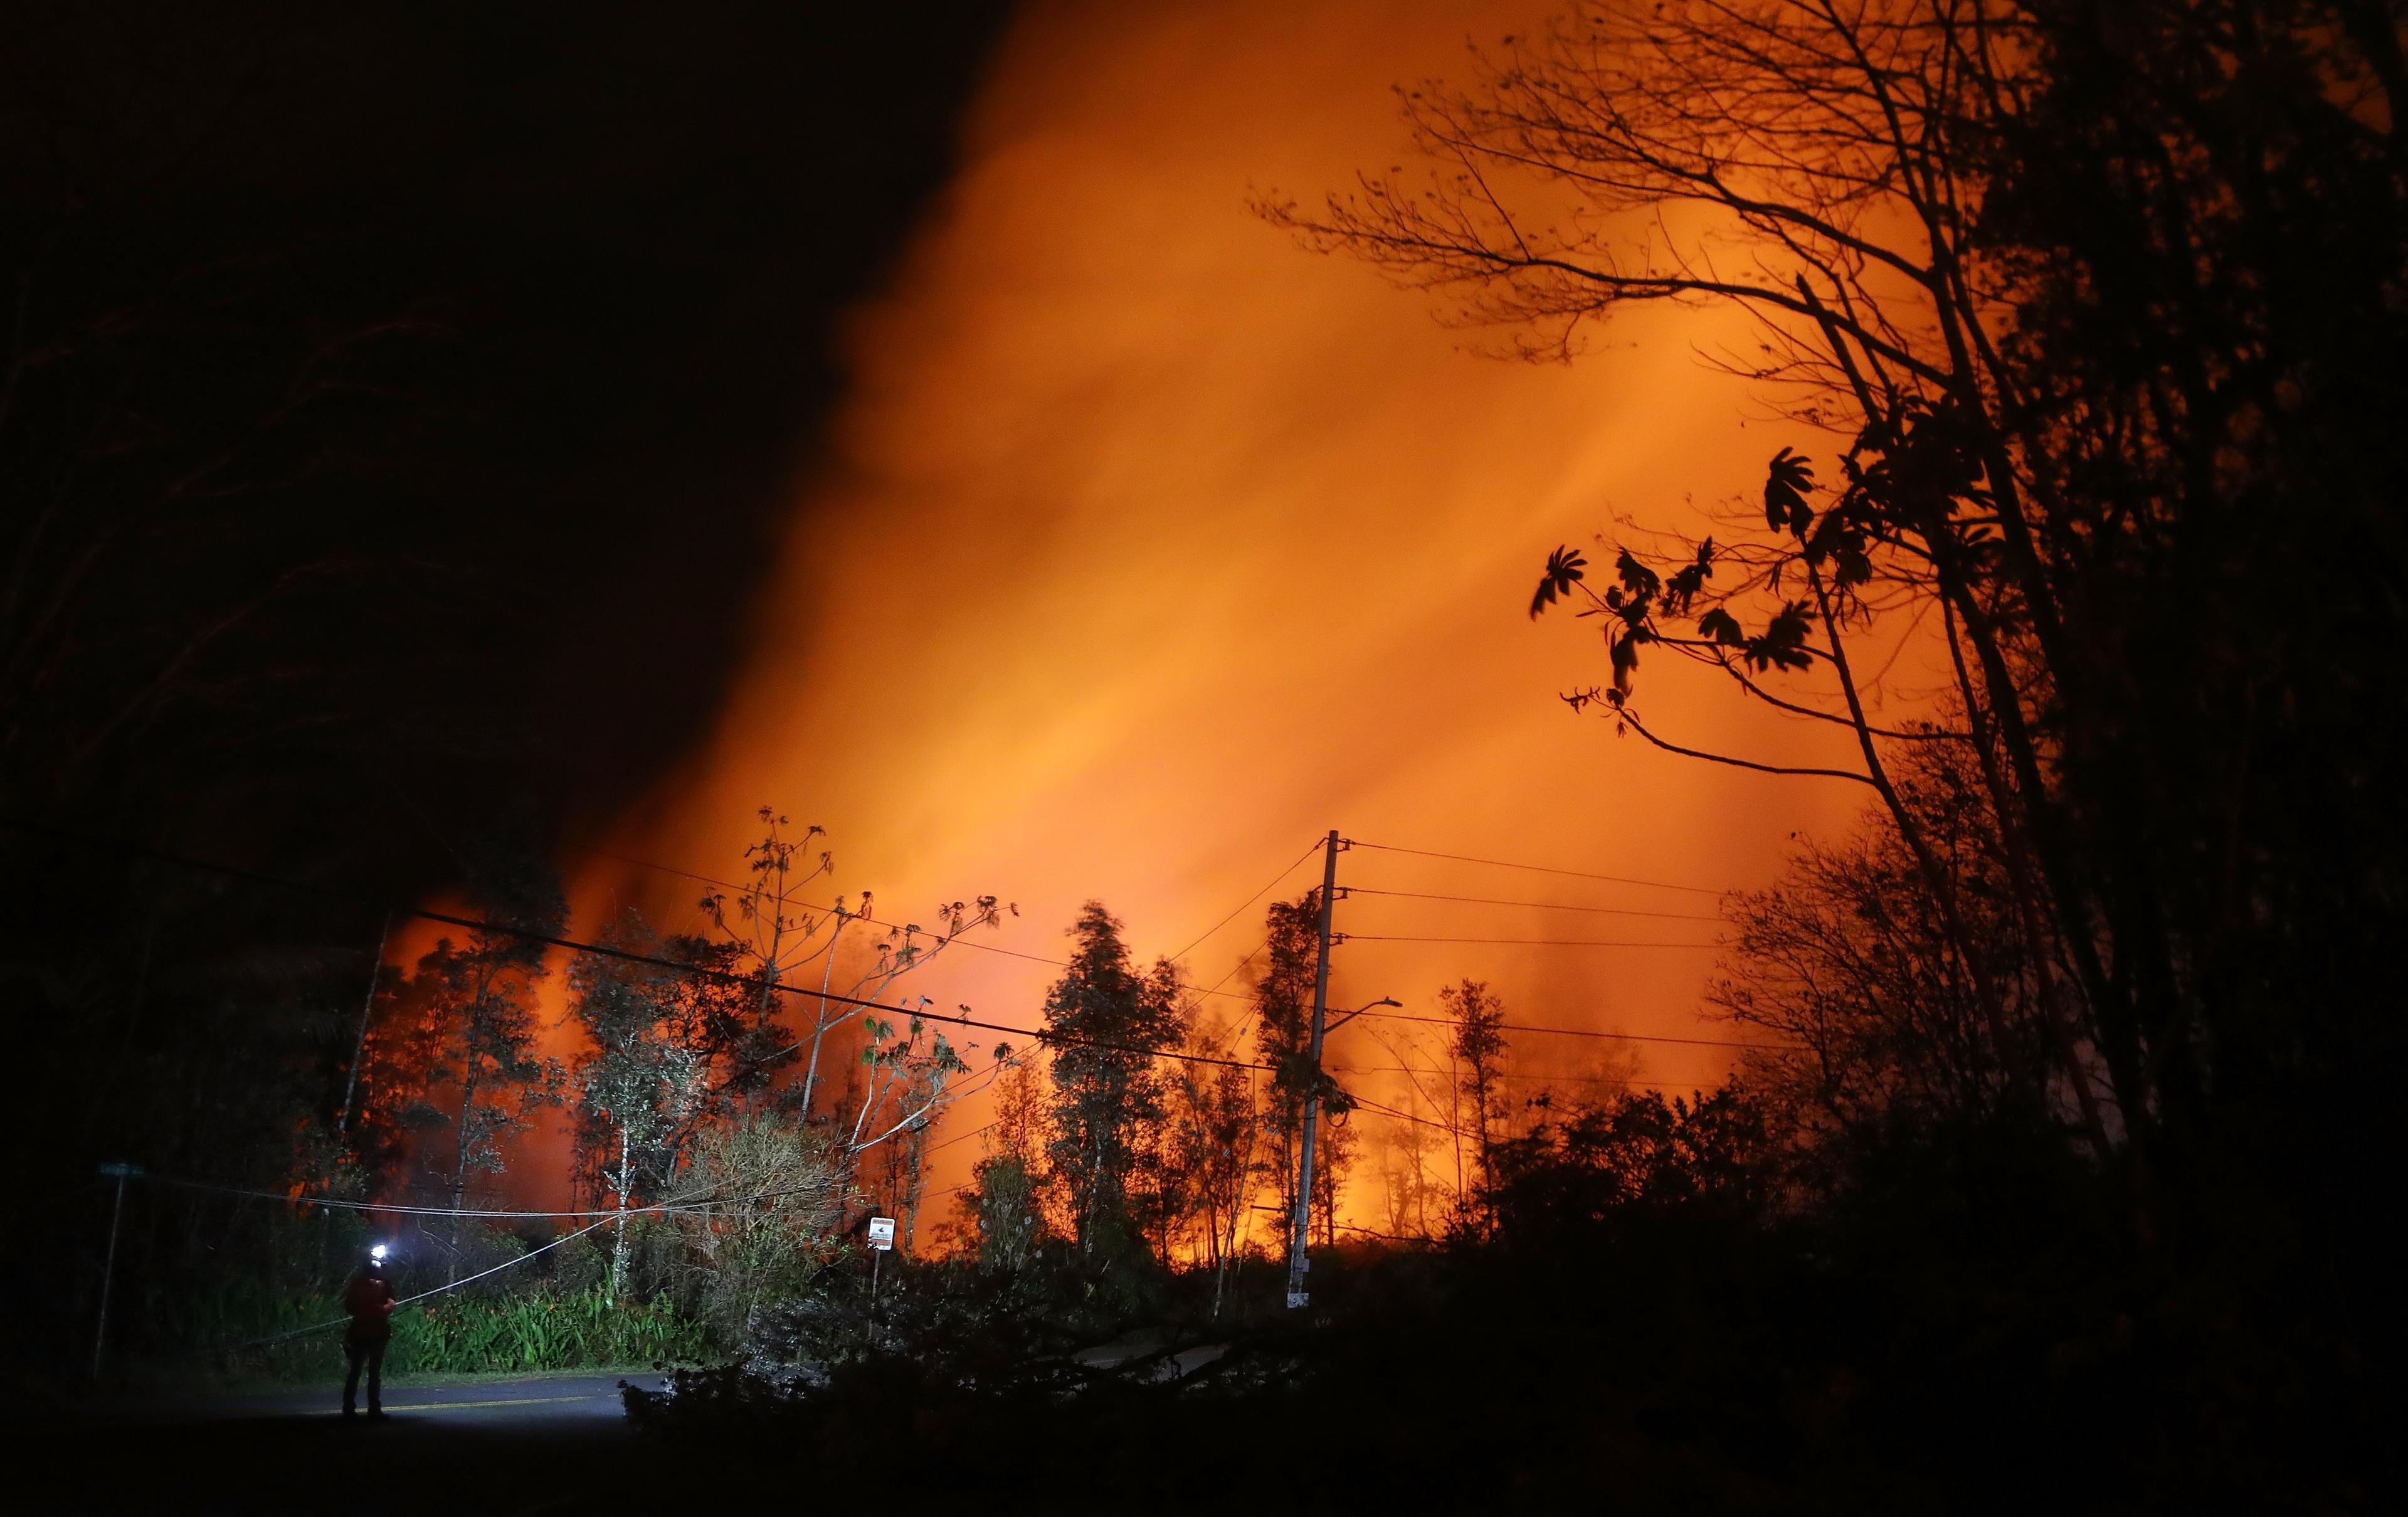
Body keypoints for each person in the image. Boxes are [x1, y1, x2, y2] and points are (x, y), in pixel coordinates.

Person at [342, 1248, 398, 1419]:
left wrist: (384, 1308)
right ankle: (360, 1407)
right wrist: (381, 1308)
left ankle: (363, 1407)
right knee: (364, 1372)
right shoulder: (362, 1285)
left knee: (366, 1372)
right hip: (366, 1332)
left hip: (370, 1332)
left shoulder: (381, 1284)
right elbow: (352, 1307)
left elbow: (390, 1303)